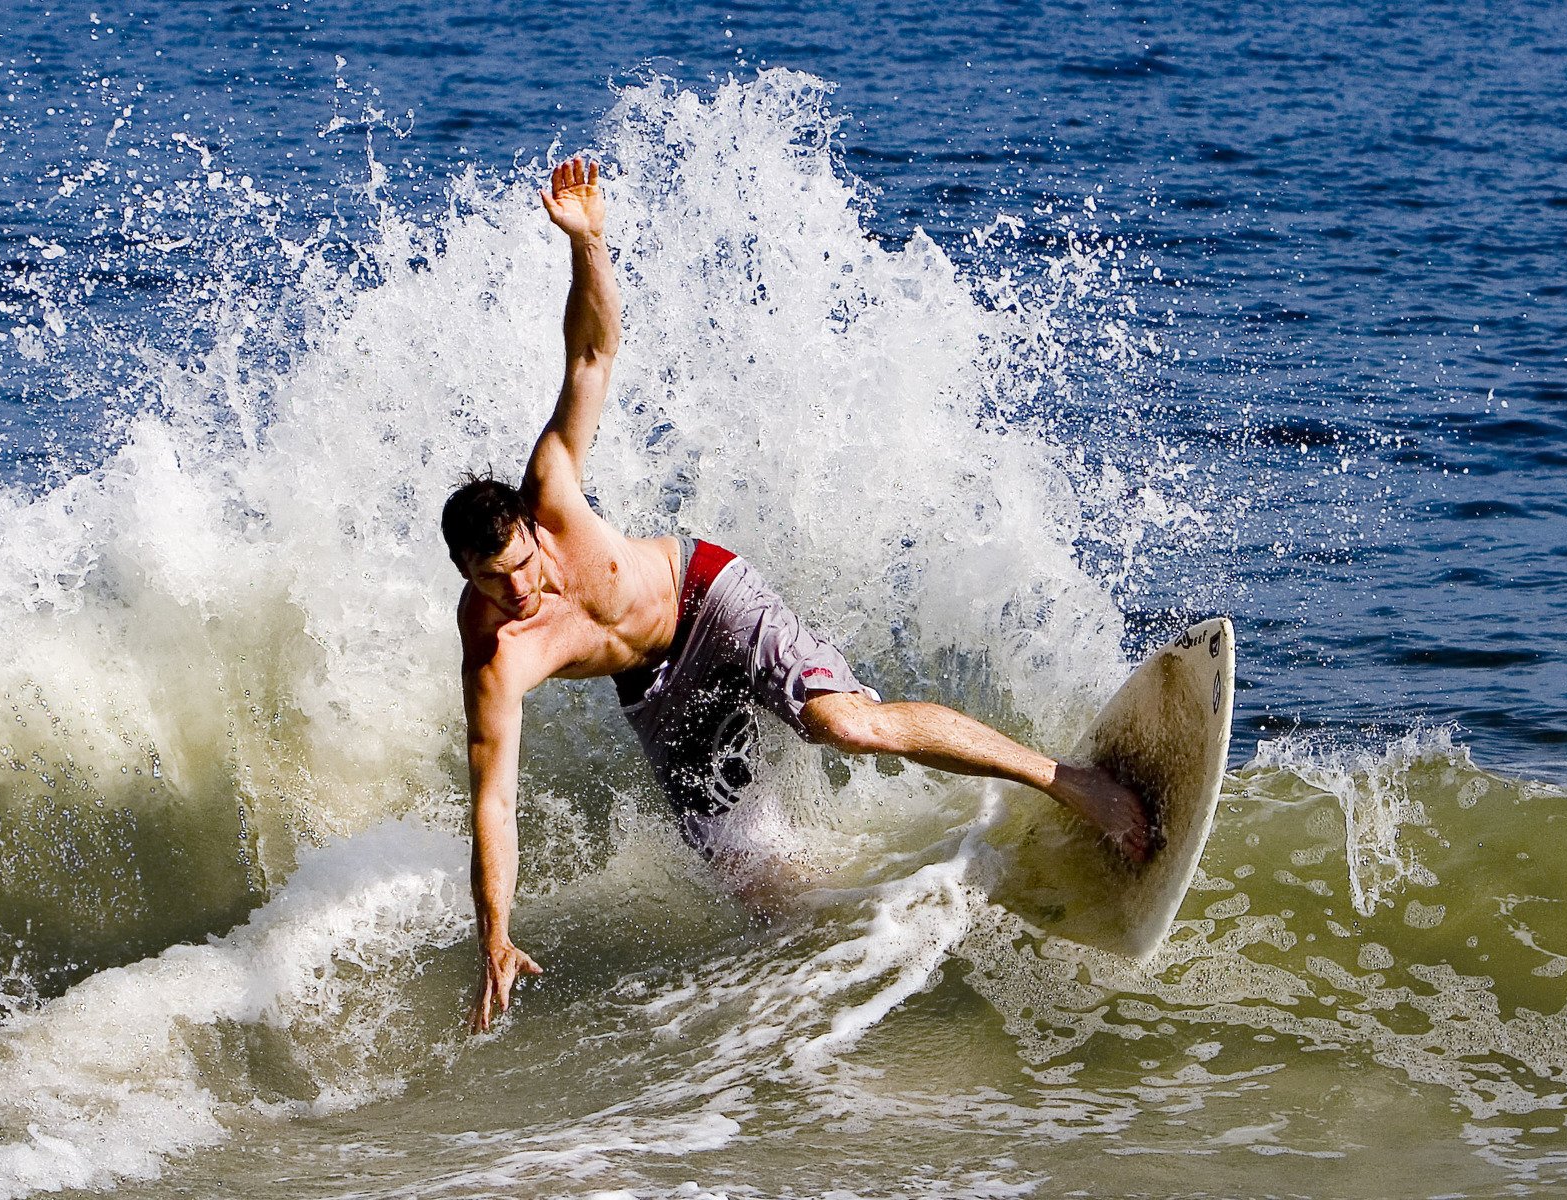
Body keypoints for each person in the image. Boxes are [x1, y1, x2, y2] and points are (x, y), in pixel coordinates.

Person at [444, 157, 1150, 1033]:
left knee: (843, 723)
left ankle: (1068, 781)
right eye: (493, 582)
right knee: (761, 889)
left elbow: (591, 352)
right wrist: (496, 936)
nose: (519, 590)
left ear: (530, 531)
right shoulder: (496, 656)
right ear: (466, 580)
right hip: (657, 693)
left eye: (521, 564)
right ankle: (905, 953)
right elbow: (495, 803)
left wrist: (589, 245)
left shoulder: (551, 488)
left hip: (709, 598)